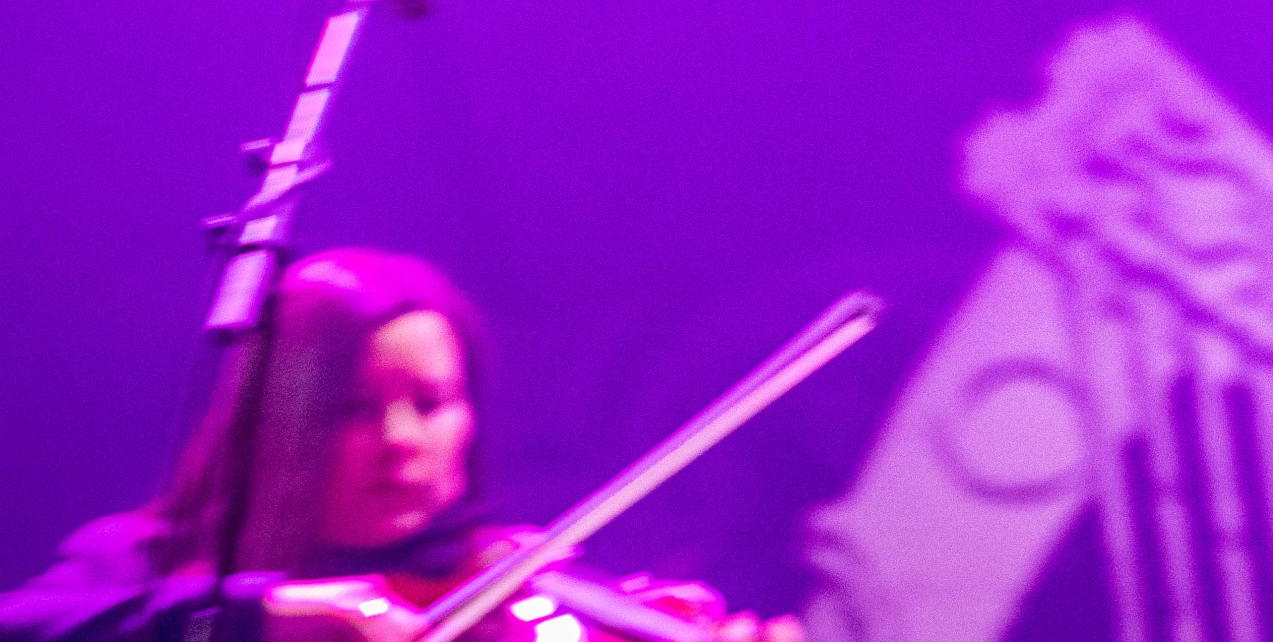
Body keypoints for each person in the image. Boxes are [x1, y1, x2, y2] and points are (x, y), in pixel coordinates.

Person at [0, 252, 800, 642]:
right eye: (353, 409)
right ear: (278, 421)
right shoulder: (149, 562)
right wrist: (264, 614)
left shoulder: (523, 588)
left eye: (431, 403)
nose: (401, 441)